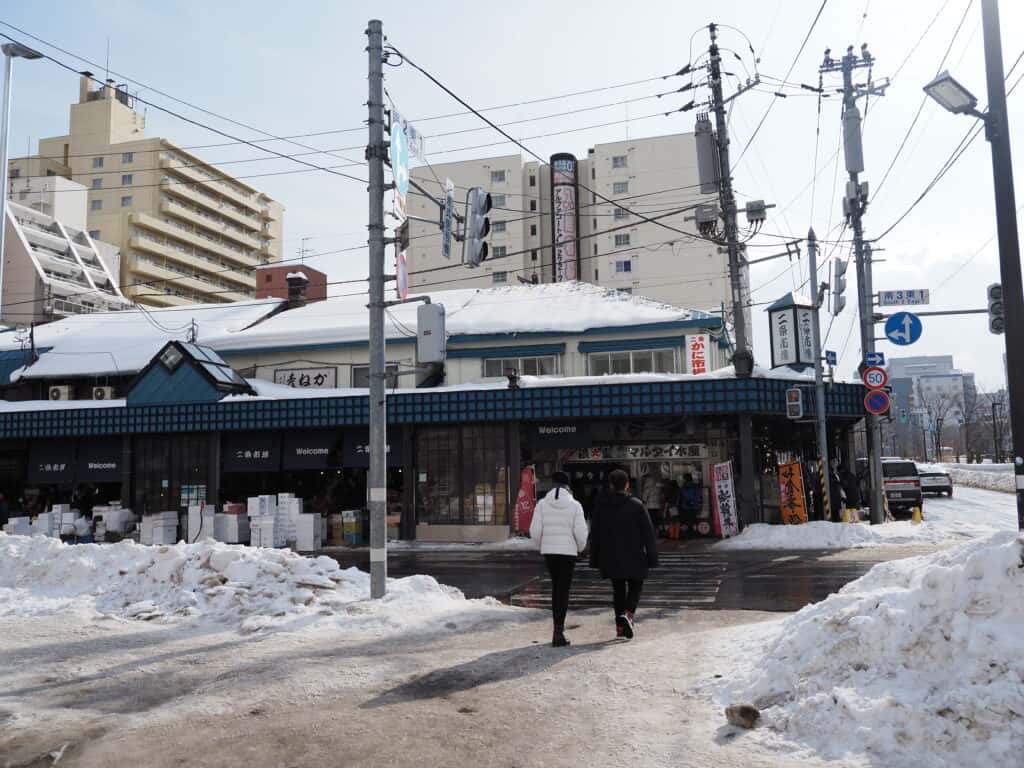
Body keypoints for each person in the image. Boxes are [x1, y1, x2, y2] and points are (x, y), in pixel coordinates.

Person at [588, 468, 659, 640]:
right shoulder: (637, 505)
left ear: (611, 485)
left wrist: (594, 558)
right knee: (636, 585)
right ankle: (628, 614)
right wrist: (652, 557)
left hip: (610, 556)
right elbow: (648, 534)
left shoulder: (601, 506)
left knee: (618, 590)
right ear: (627, 485)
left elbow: (595, 534)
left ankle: (620, 629)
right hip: (634, 554)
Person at [530, 471, 589, 647]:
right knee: (563, 590)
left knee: (556, 588)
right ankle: (558, 632)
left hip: (550, 552)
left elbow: (535, 531)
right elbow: (580, 532)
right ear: (567, 486)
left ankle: (557, 631)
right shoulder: (575, 505)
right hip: (568, 553)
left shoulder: (541, 504)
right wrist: (579, 548)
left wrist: (542, 545)